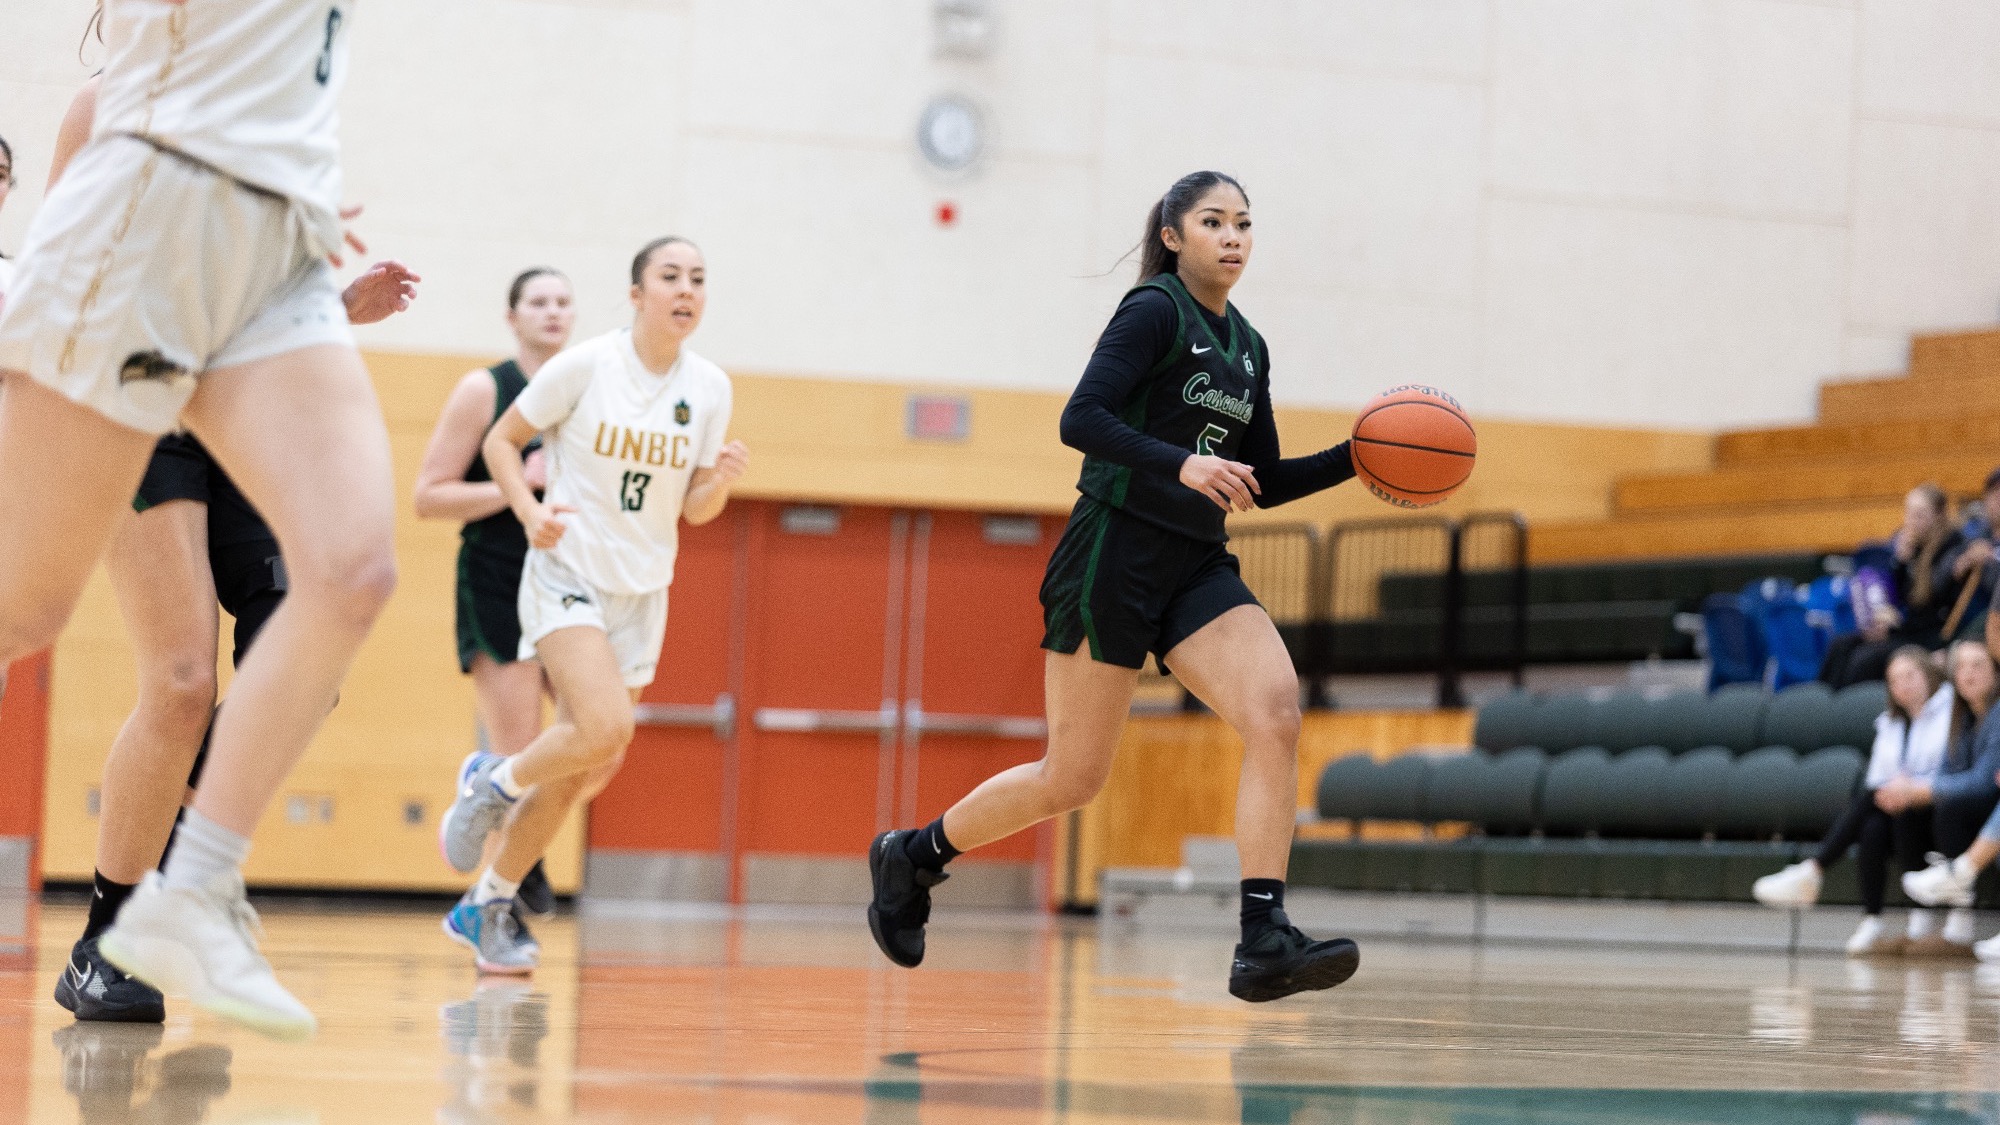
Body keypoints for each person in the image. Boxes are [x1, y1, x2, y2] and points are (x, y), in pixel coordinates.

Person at [0, 1, 401, 1041]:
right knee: (32, 614)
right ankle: (126, 920)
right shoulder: (105, 106)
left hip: (274, 249)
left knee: (351, 572)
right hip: (147, 242)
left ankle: (190, 893)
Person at [864, 171, 1363, 1003]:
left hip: (1196, 564)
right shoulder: (1155, 310)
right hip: (1114, 551)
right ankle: (913, 855)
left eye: (1245, 223)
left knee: (1276, 709)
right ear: (1173, 234)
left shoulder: (1248, 345)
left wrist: (1356, 456)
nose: (1233, 237)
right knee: (1073, 778)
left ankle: (1264, 935)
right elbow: (1082, 417)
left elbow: (1260, 480)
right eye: (1214, 221)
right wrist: (1181, 460)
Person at [435, 237, 747, 973]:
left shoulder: (709, 387)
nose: (686, 290)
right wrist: (526, 509)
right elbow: (504, 444)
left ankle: (486, 901)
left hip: (643, 588)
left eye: (698, 279)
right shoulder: (587, 366)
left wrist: (722, 482)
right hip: (566, 569)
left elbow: (695, 508)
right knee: (606, 723)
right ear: (636, 294)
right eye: (670, 277)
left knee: (587, 765)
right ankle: (495, 782)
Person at [414, 267, 577, 917]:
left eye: (564, 302)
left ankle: (514, 836)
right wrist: (519, 487)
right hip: (498, 576)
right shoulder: (484, 389)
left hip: (569, 578)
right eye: (538, 301)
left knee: (591, 739)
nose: (553, 312)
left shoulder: (584, 389)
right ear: (512, 317)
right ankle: (497, 908)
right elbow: (429, 495)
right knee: (519, 743)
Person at [1750, 645, 1957, 954]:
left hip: (1940, 807)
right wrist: (1897, 791)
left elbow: (1951, 766)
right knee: (1872, 826)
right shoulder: (1890, 723)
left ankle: (1814, 870)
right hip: (1900, 810)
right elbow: (1878, 779)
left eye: (1910, 675)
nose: (1904, 685)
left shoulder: (1950, 711)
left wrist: (1909, 788)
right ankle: (1873, 918)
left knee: (1878, 807)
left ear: (1928, 673)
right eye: (1895, 679)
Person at [1855, 637, 2000, 956]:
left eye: (1978, 666)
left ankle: (1960, 915)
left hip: (1989, 806)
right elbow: (1949, 774)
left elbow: (1983, 783)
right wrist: (1914, 793)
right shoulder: (1961, 719)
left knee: (1945, 808)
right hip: (1979, 809)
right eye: (1961, 667)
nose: (1968, 674)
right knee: (1896, 815)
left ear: (1996, 672)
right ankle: (1921, 918)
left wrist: (1920, 790)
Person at [1822, 485, 1965, 688]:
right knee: (1841, 645)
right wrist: (1900, 562)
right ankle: (1824, 704)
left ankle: (1849, 710)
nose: (1911, 522)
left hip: (1932, 636)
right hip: (1908, 628)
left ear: (1939, 516)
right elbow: (1899, 596)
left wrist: (1893, 630)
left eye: (1919, 515)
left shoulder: (1952, 548)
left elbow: (1931, 606)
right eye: (1909, 513)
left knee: (1866, 658)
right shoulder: (1914, 546)